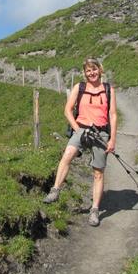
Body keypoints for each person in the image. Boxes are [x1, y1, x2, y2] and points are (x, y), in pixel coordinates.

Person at [43, 58, 117, 226]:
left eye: (94, 69)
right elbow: (67, 110)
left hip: (101, 133)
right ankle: (55, 190)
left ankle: (94, 210)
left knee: (98, 172)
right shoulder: (79, 87)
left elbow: (113, 115)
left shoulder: (108, 89)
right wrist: (77, 129)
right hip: (81, 129)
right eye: (88, 70)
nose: (92, 73)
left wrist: (112, 139)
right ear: (84, 73)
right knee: (68, 154)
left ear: (100, 69)